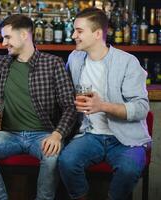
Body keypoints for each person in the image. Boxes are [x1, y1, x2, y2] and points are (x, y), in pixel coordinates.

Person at [0, 14, 77, 200]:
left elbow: (70, 106)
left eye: (7, 37)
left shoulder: (52, 63)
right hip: (9, 134)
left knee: (52, 156)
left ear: (25, 35)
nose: (4, 43)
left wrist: (57, 135)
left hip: (43, 134)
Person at [58, 8, 152, 200]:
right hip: (90, 134)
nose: (73, 35)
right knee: (67, 161)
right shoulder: (75, 59)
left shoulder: (127, 62)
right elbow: (65, 93)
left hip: (126, 139)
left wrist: (102, 106)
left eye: (79, 31)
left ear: (98, 33)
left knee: (128, 169)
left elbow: (142, 108)